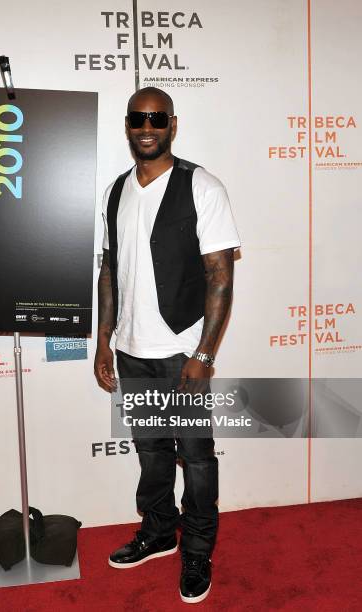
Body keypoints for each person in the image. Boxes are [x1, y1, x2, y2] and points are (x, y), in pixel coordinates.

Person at [94, 86, 240, 604]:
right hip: (132, 350)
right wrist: (104, 342)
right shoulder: (115, 191)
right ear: (128, 125)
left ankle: (197, 549)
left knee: (196, 458)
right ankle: (158, 532)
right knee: (151, 452)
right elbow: (109, 272)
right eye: (138, 118)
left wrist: (204, 354)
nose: (147, 127)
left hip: (181, 350)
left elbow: (219, 276)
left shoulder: (202, 186)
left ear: (172, 124)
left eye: (157, 118)